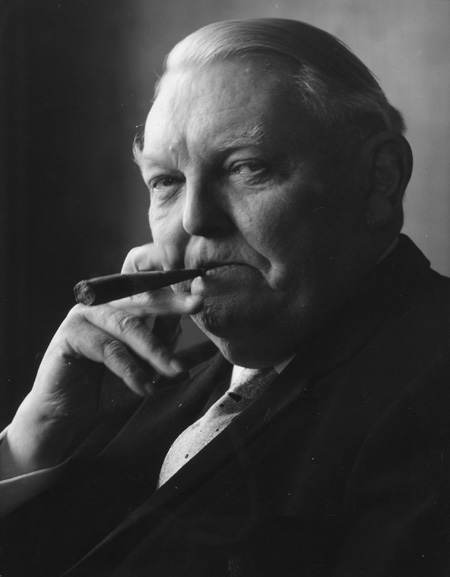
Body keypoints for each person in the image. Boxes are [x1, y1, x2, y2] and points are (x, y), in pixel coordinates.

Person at [1, 17, 450, 577]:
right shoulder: (133, 388)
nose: (193, 219)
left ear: (380, 180)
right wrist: (35, 438)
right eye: (166, 181)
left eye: (245, 168)